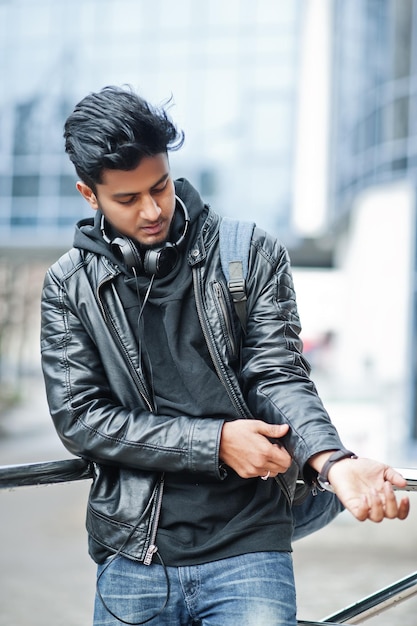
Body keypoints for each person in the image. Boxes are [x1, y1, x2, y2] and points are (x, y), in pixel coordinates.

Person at [40, 85, 409, 626]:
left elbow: (279, 375)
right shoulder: (68, 286)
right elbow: (81, 419)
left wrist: (332, 463)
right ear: (88, 195)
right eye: (127, 199)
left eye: (160, 187)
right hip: (135, 556)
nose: (151, 210)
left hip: (249, 549)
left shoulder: (249, 252)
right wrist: (214, 442)